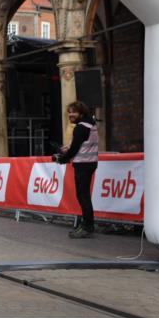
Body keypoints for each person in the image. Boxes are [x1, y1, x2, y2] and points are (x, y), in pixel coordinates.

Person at [54, 101, 99, 239]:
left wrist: (62, 159)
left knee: (82, 196)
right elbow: (81, 145)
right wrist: (69, 149)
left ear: (81, 113)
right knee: (85, 195)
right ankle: (87, 223)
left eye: (73, 112)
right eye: (69, 112)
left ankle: (87, 227)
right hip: (91, 163)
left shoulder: (80, 128)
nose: (70, 115)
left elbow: (74, 150)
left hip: (83, 165)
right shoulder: (91, 125)